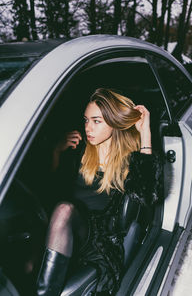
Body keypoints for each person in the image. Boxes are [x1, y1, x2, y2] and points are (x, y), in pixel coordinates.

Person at [36, 88, 163, 296]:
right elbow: (48, 187)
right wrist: (56, 151)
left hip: (96, 236)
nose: (88, 128)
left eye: (96, 121)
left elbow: (148, 196)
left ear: (114, 122)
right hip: (65, 228)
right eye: (86, 120)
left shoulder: (130, 160)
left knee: (64, 210)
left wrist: (145, 134)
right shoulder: (79, 149)